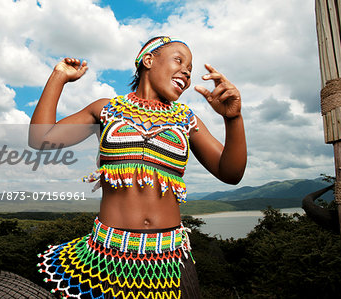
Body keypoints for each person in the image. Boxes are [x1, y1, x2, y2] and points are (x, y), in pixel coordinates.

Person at [30, 36, 246, 299]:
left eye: (190, 69)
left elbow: (231, 173)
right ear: (148, 60)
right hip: (108, 260)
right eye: (179, 60)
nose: (187, 72)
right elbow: (41, 139)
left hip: (170, 262)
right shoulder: (106, 110)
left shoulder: (187, 120)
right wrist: (59, 77)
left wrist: (233, 118)